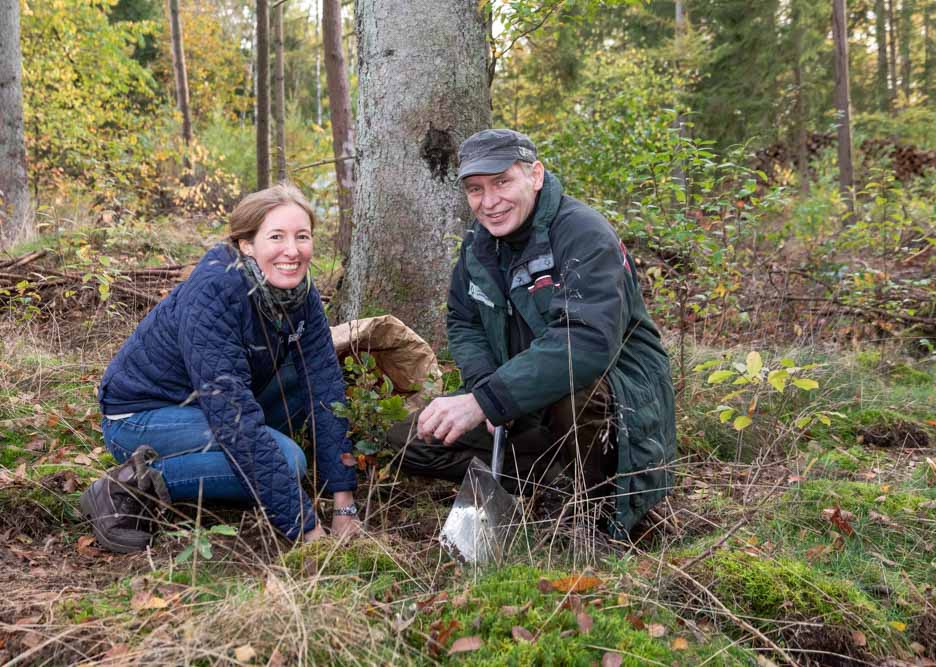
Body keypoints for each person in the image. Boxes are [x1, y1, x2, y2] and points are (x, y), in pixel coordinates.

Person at [387, 129, 676, 538]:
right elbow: (464, 320)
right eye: (475, 189)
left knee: (575, 392)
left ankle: (595, 510)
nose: (489, 202)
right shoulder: (478, 246)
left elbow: (585, 344)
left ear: (535, 175)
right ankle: (555, 482)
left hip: (616, 404)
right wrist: (486, 387)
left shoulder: (582, 234)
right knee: (411, 439)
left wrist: (488, 401)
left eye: (502, 182)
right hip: (519, 397)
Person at [81, 184, 359, 553]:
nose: (292, 251)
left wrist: (345, 505)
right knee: (289, 460)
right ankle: (127, 487)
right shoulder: (215, 290)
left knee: (303, 380)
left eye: (302, 237)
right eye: (276, 237)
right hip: (142, 416)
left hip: (207, 406)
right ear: (247, 244)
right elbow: (236, 420)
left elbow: (325, 388)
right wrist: (308, 532)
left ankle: (239, 468)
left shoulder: (298, 292)